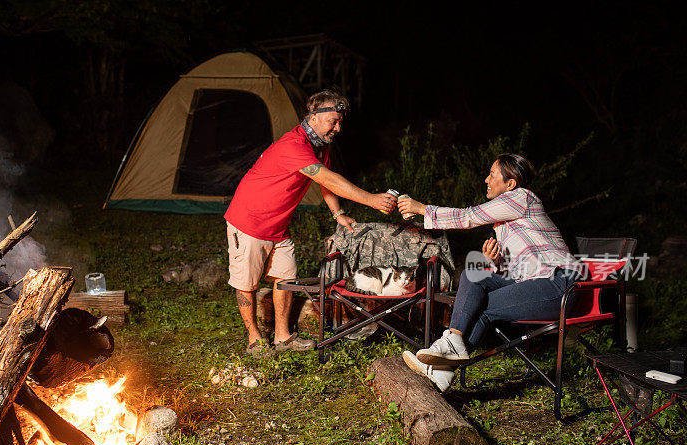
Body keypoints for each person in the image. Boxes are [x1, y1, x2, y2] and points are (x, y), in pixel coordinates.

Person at [224, 89, 397, 356]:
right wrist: (371, 200)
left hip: (279, 226)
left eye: (341, 122)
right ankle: (254, 339)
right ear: (314, 117)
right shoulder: (293, 145)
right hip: (249, 221)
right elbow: (328, 179)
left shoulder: (319, 145)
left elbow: (324, 181)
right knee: (246, 283)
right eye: (333, 121)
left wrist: (337, 213)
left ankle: (283, 336)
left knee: (285, 277)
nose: (338, 128)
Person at [397, 153, 583, 391]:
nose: (486, 179)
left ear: (511, 183)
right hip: (539, 283)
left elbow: (468, 217)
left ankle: (448, 354)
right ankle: (446, 363)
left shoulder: (523, 197)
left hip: (560, 285)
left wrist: (422, 209)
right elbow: (518, 275)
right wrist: (494, 263)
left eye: (492, 174)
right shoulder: (504, 224)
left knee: (480, 306)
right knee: (473, 275)